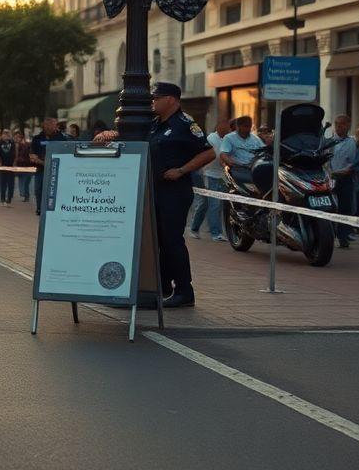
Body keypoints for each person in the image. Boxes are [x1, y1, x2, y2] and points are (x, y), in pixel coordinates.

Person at [94, 83, 216, 307]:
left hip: (174, 191)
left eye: (156, 98)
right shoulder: (154, 124)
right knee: (158, 240)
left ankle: (184, 291)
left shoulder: (184, 124)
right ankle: (163, 286)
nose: (152, 102)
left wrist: (181, 170)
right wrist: (112, 135)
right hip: (155, 190)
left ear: (171, 99)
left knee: (172, 241)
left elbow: (209, 153)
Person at [189, 118, 231, 242]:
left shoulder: (227, 139)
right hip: (208, 174)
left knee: (206, 203)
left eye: (227, 126)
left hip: (223, 176)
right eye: (223, 125)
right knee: (214, 204)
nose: (226, 128)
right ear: (218, 127)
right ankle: (216, 233)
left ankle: (194, 228)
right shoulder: (211, 139)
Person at [328, 115, 359, 248]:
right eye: (337, 124)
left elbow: (353, 162)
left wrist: (346, 171)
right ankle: (329, 234)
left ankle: (343, 236)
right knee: (330, 207)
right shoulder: (330, 142)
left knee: (345, 208)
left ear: (348, 126)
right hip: (331, 178)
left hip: (345, 179)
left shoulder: (352, 142)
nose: (339, 127)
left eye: (342, 124)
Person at [218, 115, 265, 187]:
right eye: (246, 126)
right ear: (239, 126)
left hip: (254, 170)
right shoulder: (229, 138)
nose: (248, 129)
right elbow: (223, 154)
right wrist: (230, 162)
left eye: (250, 126)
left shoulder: (255, 138)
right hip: (238, 170)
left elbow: (264, 151)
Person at [28, 118, 61, 215]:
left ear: (55, 126)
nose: (49, 127)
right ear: (44, 126)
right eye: (47, 125)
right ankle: (39, 208)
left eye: (52, 125)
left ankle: (51, 208)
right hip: (40, 170)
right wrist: (33, 157)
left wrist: (41, 160)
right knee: (38, 189)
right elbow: (32, 153)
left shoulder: (60, 138)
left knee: (53, 189)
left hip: (55, 169)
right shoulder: (37, 138)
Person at [0, 129, 16, 206]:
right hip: (3, 166)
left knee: (11, 183)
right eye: (4, 134)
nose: (6, 136)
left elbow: (15, 153)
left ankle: (9, 198)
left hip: (11, 166)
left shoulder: (12, 143)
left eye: (7, 134)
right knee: (3, 183)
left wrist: (14, 163)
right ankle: (3, 198)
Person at [15, 129, 33, 203]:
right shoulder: (17, 145)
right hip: (21, 166)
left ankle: (26, 195)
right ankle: (24, 195)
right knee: (22, 181)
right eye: (16, 137)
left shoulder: (27, 145)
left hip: (27, 166)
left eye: (18, 137)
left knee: (25, 182)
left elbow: (28, 154)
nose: (17, 139)